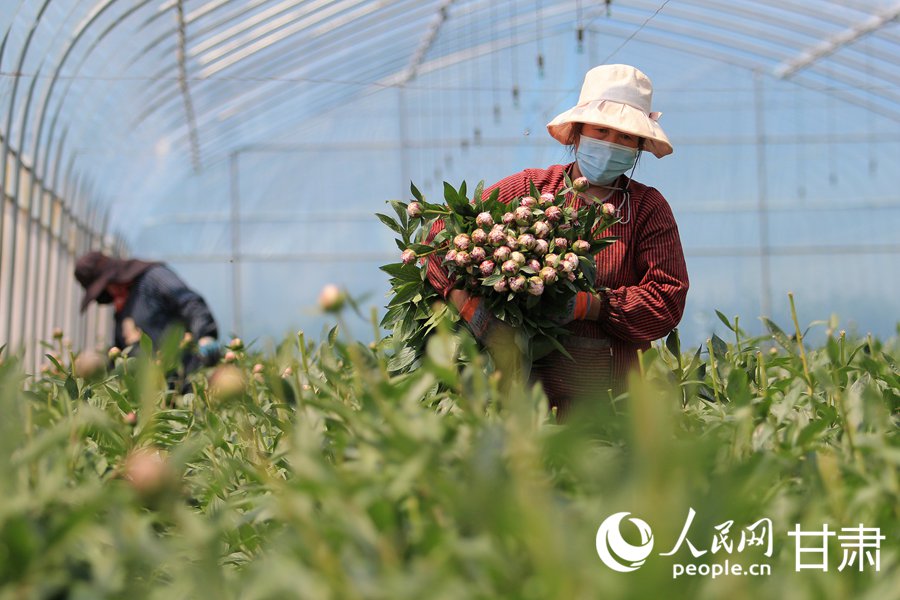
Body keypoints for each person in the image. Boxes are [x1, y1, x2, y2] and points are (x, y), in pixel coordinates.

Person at [425, 64, 689, 415]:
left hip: (612, 402)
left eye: (625, 137)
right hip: (523, 399)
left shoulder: (645, 209)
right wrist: (472, 308)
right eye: (602, 130)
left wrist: (591, 306)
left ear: (639, 145)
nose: (611, 143)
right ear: (578, 132)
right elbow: (442, 236)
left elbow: (666, 300)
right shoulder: (531, 191)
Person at [74, 251, 221, 373]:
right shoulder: (123, 307)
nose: (110, 292)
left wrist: (205, 334)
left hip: (189, 374)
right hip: (157, 392)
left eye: (108, 284)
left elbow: (189, 302)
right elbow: (121, 350)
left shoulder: (154, 278)